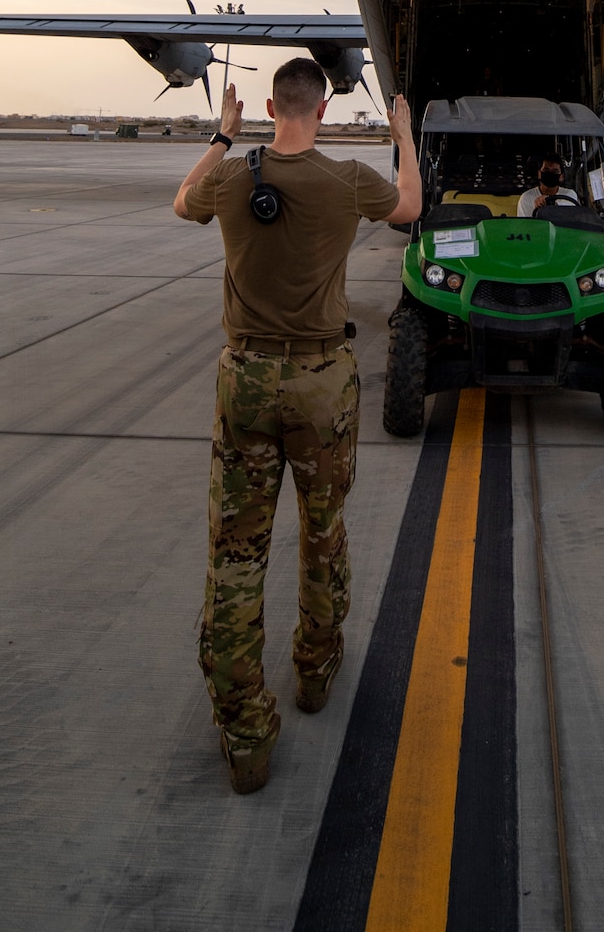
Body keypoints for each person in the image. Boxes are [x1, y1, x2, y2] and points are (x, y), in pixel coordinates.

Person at [174, 58, 422, 795]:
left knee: (235, 555)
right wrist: (402, 134)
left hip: (244, 377)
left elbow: (181, 200)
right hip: (320, 383)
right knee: (323, 532)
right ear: (321, 108)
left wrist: (222, 137)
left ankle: (246, 736)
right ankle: (314, 673)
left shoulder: (228, 177)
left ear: (273, 106)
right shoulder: (346, 178)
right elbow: (410, 206)